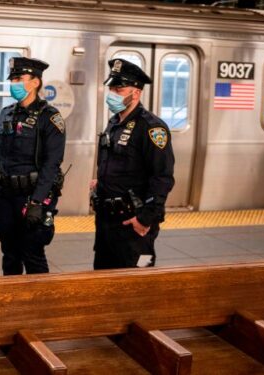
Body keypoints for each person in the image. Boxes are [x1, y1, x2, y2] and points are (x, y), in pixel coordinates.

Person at [0, 57, 66, 275]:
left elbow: (52, 164)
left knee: (32, 253)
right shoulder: (6, 113)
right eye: (12, 78)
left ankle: (38, 304)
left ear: (35, 82)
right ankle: (12, 302)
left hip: (31, 197)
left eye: (19, 78)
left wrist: (38, 201)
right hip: (5, 196)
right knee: (10, 253)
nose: (13, 83)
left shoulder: (49, 118)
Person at [90, 58, 175, 270]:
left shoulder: (152, 128)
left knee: (137, 280)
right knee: (103, 280)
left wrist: (145, 219)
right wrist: (101, 181)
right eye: (111, 88)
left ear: (136, 93)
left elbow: (162, 177)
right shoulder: (114, 123)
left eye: (119, 89)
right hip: (107, 222)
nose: (112, 94)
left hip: (134, 223)